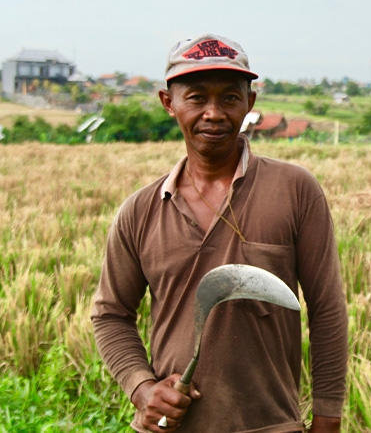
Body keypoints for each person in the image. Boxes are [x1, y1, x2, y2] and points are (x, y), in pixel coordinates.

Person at [91, 34, 347, 433]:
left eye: (229, 97)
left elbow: (327, 310)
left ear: (250, 103)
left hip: (271, 426)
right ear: (168, 103)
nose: (214, 113)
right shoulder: (140, 212)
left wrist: (328, 416)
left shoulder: (295, 190)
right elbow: (110, 315)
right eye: (196, 97)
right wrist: (142, 389)